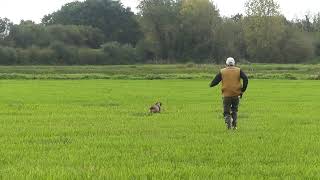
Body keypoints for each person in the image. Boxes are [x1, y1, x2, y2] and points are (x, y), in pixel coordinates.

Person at [209, 57, 248, 130]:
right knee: (234, 110)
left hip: (226, 95)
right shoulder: (239, 70)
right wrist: (243, 90)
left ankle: (229, 122)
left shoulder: (222, 71)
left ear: (226, 64)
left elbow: (215, 81)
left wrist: (211, 84)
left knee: (226, 112)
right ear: (234, 63)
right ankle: (234, 126)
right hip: (236, 94)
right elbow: (245, 79)